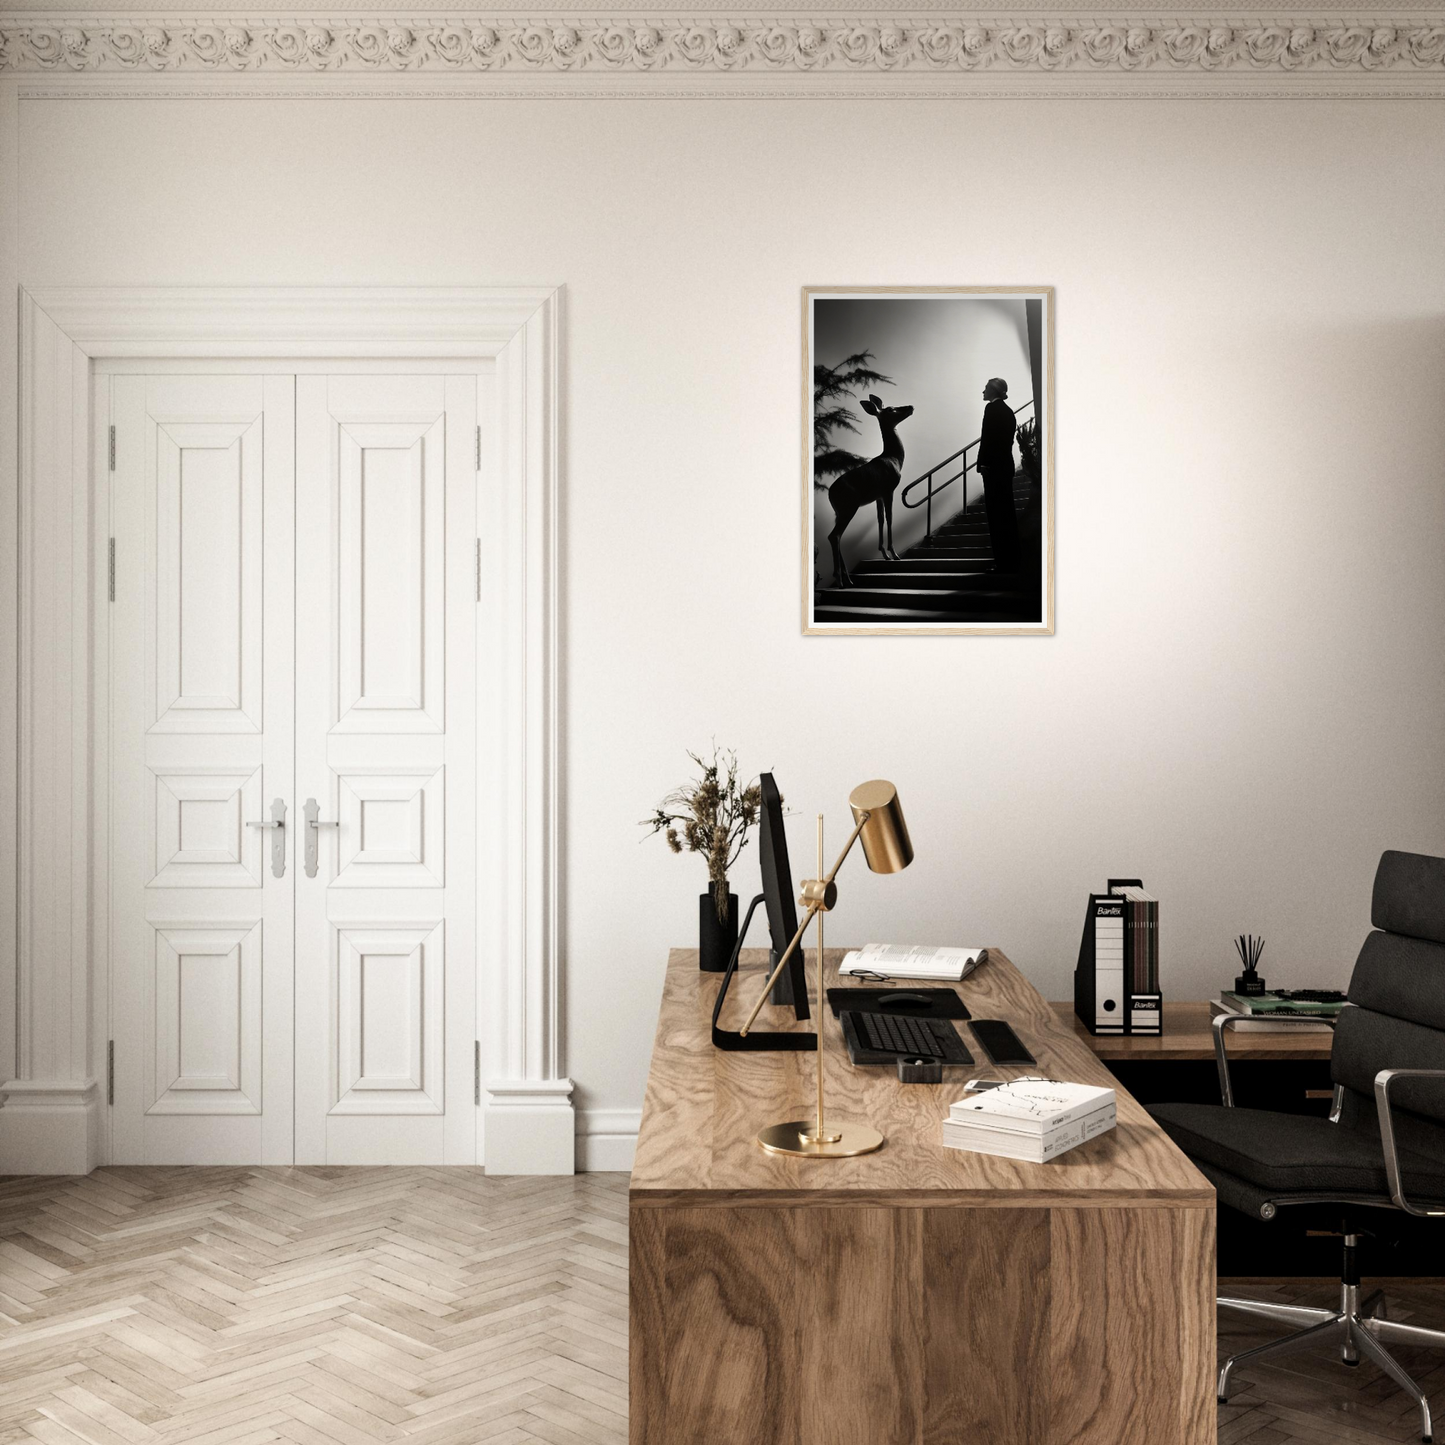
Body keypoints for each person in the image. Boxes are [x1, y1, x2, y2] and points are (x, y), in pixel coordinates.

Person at [977, 377, 1020, 572]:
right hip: (1005, 466)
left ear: (994, 390)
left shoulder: (991, 409)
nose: (983, 391)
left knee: (996, 516)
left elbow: (987, 439)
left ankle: (1002, 562)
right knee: (1007, 514)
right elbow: (1005, 443)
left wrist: (983, 463)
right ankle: (1011, 560)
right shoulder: (1009, 412)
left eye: (986, 388)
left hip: (993, 469)